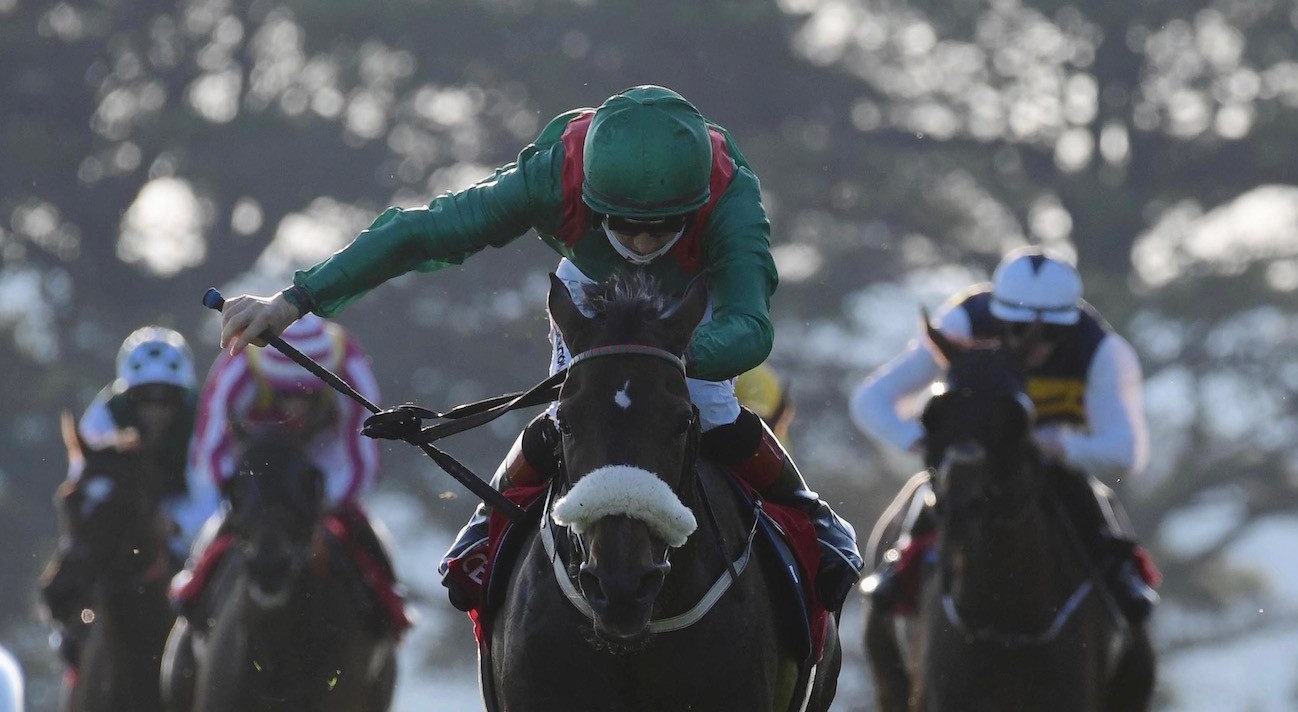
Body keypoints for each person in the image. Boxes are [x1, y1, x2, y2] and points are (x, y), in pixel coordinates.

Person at [213, 84, 859, 612]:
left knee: (710, 411)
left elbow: (751, 327)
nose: (638, 243)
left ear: (693, 209)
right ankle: (485, 532)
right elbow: (422, 233)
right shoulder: (552, 177)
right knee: (570, 419)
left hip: (691, 303)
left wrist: (668, 362)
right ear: (589, 200)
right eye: (623, 225)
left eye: (659, 227)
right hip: (590, 290)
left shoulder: (731, 199)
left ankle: (811, 516)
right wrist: (292, 302)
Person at [850, 247, 1157, 621]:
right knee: (936, 491)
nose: (1033, 342)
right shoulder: (961, 324)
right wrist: (924, 441)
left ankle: (1120, 581)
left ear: (1071, 324)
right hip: (971, 463)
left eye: (1051, 332)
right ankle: (898, 566)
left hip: (1048, 465)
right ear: (997, 316)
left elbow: (1127, 450)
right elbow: (871, 399)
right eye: (1015, 327)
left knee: (1091, 506)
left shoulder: (1104, 352)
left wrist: (1056, 445)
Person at [170, 313, 405, 634]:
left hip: (323, 457)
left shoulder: (349, 368)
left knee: (362, 532)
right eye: (285, 394)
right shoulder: (239, 364)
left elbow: (361, 461)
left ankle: (392, 609)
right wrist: (242, 497)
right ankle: (191, 597)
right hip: (257, 460)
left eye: (307, 396)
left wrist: (319, 502)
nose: (296, 408)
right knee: (219, 531)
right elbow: (210, 452)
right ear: (267, 380)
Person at [42, 328, 212, 667]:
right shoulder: (104, 416)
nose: (155, 409)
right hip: (125, 513)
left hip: (185, 511)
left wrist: (176, 527)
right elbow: (83, 488)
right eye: (144, 397)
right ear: (129, 395)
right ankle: (72, 636)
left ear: (182, 397)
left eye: (166, 398)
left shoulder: (204, 420)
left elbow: (211, 498)